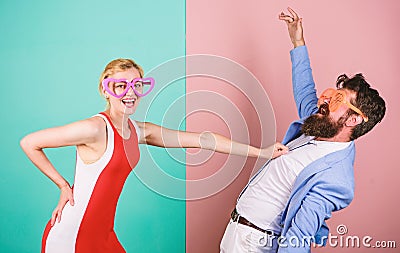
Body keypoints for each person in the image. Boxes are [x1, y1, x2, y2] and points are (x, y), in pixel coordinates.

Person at [20, 58, 287, 253]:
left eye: (136, 85)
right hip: (71, 236)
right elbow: (30, 142)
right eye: (120, 86)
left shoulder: (139, 131)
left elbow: (204, 140)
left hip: (103, 235)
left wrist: (261, 152)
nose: (130, 93)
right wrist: (63, 185)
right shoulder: (94, 128)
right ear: (106, 89)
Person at [220, 7, 386, 253]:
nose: (324, 101)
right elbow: (305, 90)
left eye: (337, 100)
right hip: (235, 233)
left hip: (255, 245)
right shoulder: (320, 127)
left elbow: (298, 238)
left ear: (353, 120)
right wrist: (298, 42)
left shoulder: (336, 179)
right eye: (330, 94)